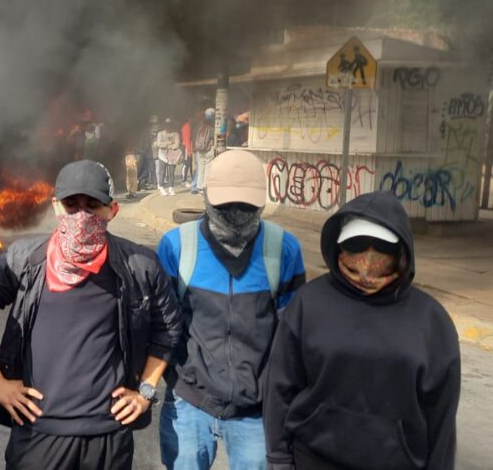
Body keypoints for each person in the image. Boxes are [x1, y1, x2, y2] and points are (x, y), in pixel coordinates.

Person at [0, 160, 183, 470]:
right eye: (71, 205)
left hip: (108, 438)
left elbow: (168, 330)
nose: (81, 216)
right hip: (38, 436)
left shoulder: (140, 266)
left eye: (92, 205)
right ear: (55, 206)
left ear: (112, 210)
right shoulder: (24, 260)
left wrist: (146, 391)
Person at [263, 192, 460, 470]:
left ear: (400, 251)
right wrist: (278, 457)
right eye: (356, 244)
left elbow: (441, 415)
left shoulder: (431, 320)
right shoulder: (309, 303)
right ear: (340, 245)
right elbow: (281, 386)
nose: (368, 256)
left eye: (380, 245)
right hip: (312, 459)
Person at [155, 149, 307, 470]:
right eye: (226, 206)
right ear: (208, 198)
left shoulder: (283, 249)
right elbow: (160, 325)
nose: (236, 214)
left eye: (245, 206)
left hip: (255, 412)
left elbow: (293, 336)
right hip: (190, 403)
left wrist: (279, 397)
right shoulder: (177, 246)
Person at [190, 108, 215, 195]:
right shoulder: (212, 126)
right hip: (208, 149)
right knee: (208, 168)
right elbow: (214, 138)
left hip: (199, 149)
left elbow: (194, 137)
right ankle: (205, 187)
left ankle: (199, 187)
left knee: (201, 168)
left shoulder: (199, 126)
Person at [155, 119, 182, 197]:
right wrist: (169, 143)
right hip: (162, 156)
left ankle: (171, 188)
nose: (168, 127)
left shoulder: (176, 134)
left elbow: (177, 144)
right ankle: (162, 188)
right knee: (162, 173)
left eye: (169, 125)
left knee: (171, 173)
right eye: (166, 125)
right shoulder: (160, 134)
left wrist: (167, 145)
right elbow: (159, 144)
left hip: (172, 156)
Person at [180, 118, 193, 186]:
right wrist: (189, 150)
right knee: (186, 163)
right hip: (186, 147)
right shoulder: (187, 127)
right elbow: (186, 139)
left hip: (187, 146)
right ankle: (183, 180)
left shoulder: (187, 126)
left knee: (188, 164)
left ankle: (186, 179)